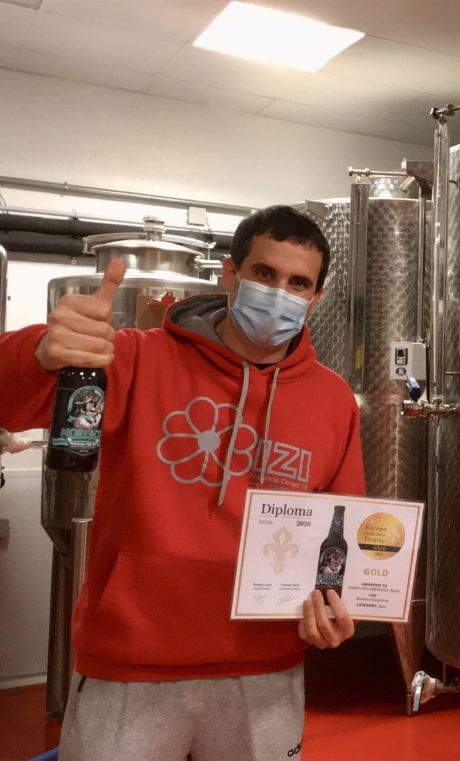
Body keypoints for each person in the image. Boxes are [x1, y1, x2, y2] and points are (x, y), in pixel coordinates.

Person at [0, 205, 365, 761]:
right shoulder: (135, 358)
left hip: (265, 671)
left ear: (315, 299)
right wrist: (43, 354)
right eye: (265, 274)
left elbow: (341, 525)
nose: (280, 293)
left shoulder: (333, 399)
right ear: (229, 275)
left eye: (299, 283)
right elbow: (10, 402)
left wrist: (337, 607)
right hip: (130, 667)